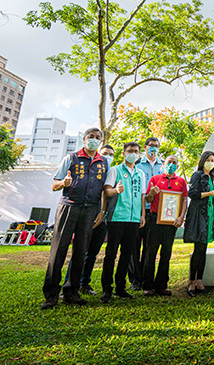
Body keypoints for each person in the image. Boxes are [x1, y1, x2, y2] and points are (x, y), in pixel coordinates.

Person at [41, 127, 108, 310]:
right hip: (69, 206)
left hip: (90, 210)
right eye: (91, 137)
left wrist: (102, 211)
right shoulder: (70, 158)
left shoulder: (104, 163)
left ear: (101, 141)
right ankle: (51, 294)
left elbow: (104, 190)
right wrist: (64, 183)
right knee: (59, 250)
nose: (94, 140)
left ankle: (71, 292)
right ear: (84, 139)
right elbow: (55, 184)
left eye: (97, 138)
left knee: (81, 252)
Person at [63, 144, 114, 296]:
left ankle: (84, 282)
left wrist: (103, 213)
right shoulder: (91, 170)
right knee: (79, 251)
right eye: (105, 153)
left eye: (111, 154)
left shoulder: (110, 172)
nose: (107, 156)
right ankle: (70, 283)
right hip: (87, 215)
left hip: (102, 218)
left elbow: (107, 193)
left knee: (92, 253)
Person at [100, 142, 145, 303]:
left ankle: (120, 287)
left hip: (133, 219)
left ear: (139, 154)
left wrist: (142, 215)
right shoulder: (115, 170)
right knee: (110, 254)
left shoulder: (140, 174)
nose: (133, 153)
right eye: (130, 151)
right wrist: (116, 190)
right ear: (124, 154)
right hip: (116, 218)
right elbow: (106, 191)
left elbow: (142, 196)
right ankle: (107, 289)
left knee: (126, 255)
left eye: (136, 151)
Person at [184, 151, 214, 296]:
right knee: (198, 249)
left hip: (209, 216)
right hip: (199, 215)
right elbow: (192, 194)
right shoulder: (198, 175)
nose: (211, 162)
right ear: (203, 161)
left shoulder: (212, 177)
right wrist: (209, 194)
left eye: (213, 160)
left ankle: (199, 282)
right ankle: (191, 284)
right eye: (208, 160)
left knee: (203, 250)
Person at [143, 154, 189, 296]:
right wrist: (151, 193)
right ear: (163, 164)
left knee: (166, 254)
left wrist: (181, 217)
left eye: (174, 163)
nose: (171, 165)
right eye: (169, 162)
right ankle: (147, 285)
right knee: (150, 253)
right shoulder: (155, 179)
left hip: (171, 223)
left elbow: (184, 201)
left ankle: (161, 285)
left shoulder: (181, 181)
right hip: (155, 219)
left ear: (177, 166)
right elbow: (148, 199)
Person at [129, 137, 163, 290]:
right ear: (145, 147)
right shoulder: (136, 164)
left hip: (155, 211)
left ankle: (144, 277)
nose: (154, 149)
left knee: (149, 246)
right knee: (134, 245)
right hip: (137, 209)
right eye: (151, 146)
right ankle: (134, 279)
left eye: (156, 146)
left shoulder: (163, 166)